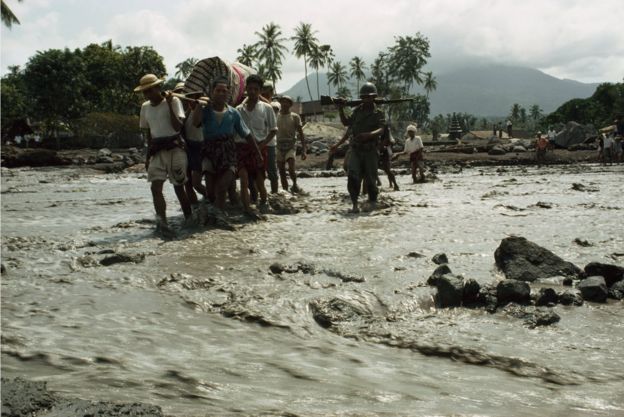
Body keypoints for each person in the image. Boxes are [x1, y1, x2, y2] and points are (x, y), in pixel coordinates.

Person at [192, 76, 262, 213]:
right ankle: (220, 209)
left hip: (228, 153)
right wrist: (198, 106)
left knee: (222, 187)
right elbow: (195, 123)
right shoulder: (205, 110)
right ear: (212, 92)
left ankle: (221, 216)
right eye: (218, 91)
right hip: (209, 151)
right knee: (211, 191)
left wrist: (258, 153)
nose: (221, 94)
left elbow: (246, 134)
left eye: (224, 91)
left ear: (228, 94)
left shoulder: (233, 113)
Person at [135, 73, 192, 237]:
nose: (148, 94)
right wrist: (147, 157)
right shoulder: (145, 107)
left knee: (179, 187)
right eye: (145, 92)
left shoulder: (173, 101)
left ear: (158, 88)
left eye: (150, 90)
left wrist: (168, 104)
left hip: (175, 147)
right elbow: (149, 134)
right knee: (155, 188)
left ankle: (189, 219)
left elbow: (177, 127)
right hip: (157, 149)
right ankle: (162, 223)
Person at [337, 82, 386, 213]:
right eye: (364, 97)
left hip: (370, 150)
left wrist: (369, 135)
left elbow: (381, 129)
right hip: (356, 149)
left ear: (374, 97)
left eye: (369, 97)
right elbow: (346, 122)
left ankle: (372, 203)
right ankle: (354, 204)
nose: (367, 99)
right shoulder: (357, 111)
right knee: (353, 177)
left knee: (371, 179)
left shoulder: (378, 113)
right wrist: (340, 108)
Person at [236, 74, 277, 212]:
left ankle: (264, 205)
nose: (252, 91)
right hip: (242, 148)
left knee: (260, 182)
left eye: (256, 89)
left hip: (260, 148)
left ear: (260, 91)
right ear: (246, 89)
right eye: (250, 88)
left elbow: (273, 130)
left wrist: (262, 145)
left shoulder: (267, 108)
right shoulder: (238, 110)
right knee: (244, 179)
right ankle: (247, 210)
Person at [173, 82, 207, 210]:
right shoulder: (180, 111)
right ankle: (195, 208)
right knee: (187, 184)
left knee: (196, 183)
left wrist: (193, 106)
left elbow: (197, 124)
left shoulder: (201, 108)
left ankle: (212, 199)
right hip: (187, 148)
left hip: (200, 147)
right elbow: (179, 129)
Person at [276, 95, 306, 192]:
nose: (284, 104)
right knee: (281, 170)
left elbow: (301, 134)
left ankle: (294, 184)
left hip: (291, 146)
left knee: (291, 168)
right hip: (279, 146)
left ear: (290, 104)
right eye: (283, 102)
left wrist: (304, 150)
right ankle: (285, 190)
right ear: (280, 103)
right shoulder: (276, 116)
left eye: (287, 102)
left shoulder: (295, 117)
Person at [261, 81, 280, 193]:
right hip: (258, 143)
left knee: (272, 172)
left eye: (266, 91)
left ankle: (275, 193)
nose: (263, 93)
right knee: (258, 172)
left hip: (270, 143)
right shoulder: (257, 105)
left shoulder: (275, 104)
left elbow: (273, 107)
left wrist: (258, 96)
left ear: (272, 92)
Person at [378, 124, 400, 190]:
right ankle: (391, 184)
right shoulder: (378, 126)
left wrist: (382, 146)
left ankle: (395, 184)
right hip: (380, 150)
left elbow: (388, 141)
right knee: (386, 169)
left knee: (387, 169)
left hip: (385, 152)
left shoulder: (386, 129)